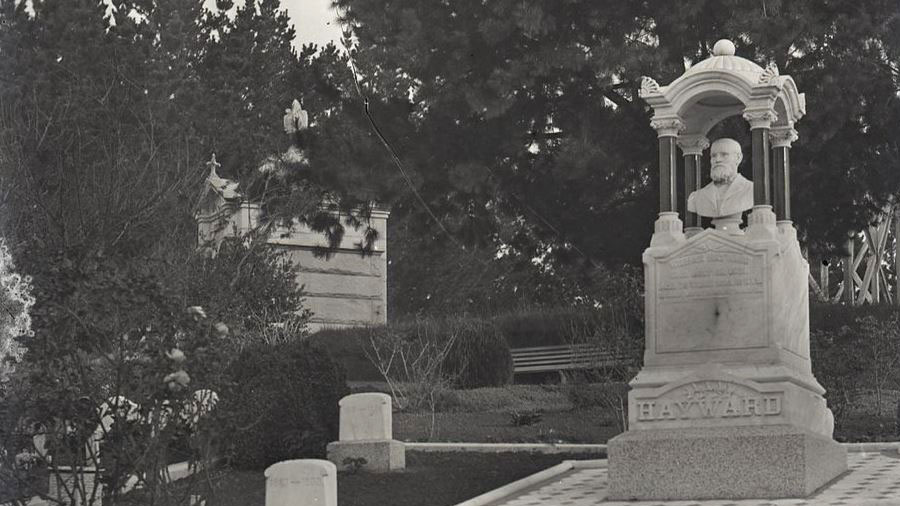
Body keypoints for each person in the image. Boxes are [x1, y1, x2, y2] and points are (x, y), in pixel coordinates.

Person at [687, 138, 754, 218]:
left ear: (738, 158)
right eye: (713, 156)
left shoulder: (752, 190)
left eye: (724, 155)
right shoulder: (697, 197)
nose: (717, 160)